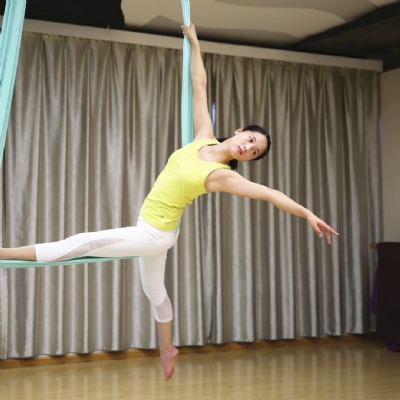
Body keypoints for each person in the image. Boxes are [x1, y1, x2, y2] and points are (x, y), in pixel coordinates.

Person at [0, 24, 338, 381]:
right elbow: (199, 84)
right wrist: (194, 41)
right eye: (251, 140)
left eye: (254, 152)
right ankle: (167, 348)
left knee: (82, 243)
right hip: (158, 230)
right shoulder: (203, 137)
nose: (248, 148)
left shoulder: (224, 176)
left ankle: (3, 253)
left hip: (155, 234)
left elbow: (271, 194)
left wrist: (307, 213)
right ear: (240, 130)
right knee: (154, 290)